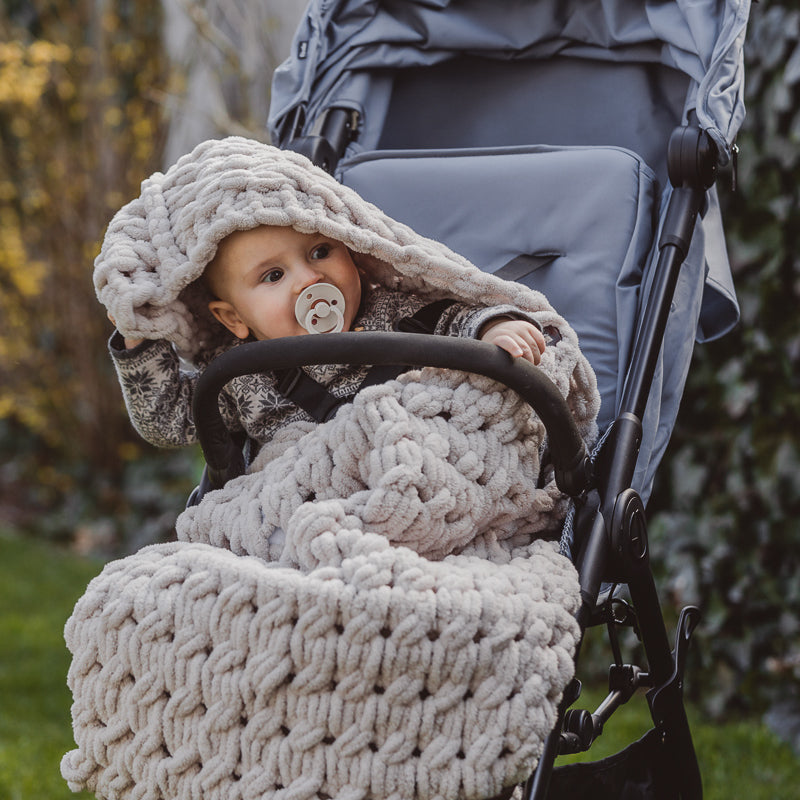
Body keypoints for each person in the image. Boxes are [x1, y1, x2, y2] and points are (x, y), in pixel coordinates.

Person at [102, 140, 548, 451]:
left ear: (352, 249)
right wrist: (137, 336)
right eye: (273, 275)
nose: (308, 280)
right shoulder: (240, 377)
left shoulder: (391, 314)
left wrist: (494, 327)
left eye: (320, 251)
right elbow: (168, 421)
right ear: (234, 318)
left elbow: (455, 320)